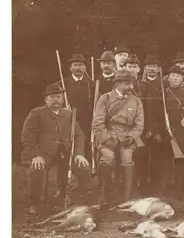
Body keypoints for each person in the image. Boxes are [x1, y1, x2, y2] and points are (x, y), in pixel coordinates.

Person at [21, 83, 89, 214]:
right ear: (46, 99)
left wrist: (79, 154)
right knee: (37, 169)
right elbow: (27, 136)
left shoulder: (68, 114)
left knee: (83, 166)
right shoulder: (36, 113)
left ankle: (80, 199)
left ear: (63, 99)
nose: (56, 100)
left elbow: (79, 135)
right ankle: (34, 203)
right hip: (43, 153)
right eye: (52, 97)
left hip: (65, 153)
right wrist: (36, 155)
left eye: (59, 97)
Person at [92, 70, 144, 203]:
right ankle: (103, 193)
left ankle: (126, 197)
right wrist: (106, 138)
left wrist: (132, 137)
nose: (130, 87)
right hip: (108, 135)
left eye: (131, 84)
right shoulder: (105, 98)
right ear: (117, 84)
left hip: (127, 138)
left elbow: (139, 124)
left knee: (127, 160)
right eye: (127, 84)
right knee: (107, 159)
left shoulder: (136, 101)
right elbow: (97, 122)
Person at [55, 53, 94, 197]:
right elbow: (53, 105)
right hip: (66, 124)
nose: (78, 68)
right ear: (70, 67)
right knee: (64, 154)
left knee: (85, 154)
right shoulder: (62, 84)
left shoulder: (92, 84)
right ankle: (63, 186)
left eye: (81, 65)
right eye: (75, 65)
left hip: (86, 123)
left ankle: (84, 187)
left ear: (85, 67)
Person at [162, 65, 184, 197]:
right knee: (167, 161)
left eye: (178, 76)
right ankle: (167, 188)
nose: (175, 79)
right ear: (168, 78)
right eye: (173, 76)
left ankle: (180, 188)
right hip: (168, 131)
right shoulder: (164, 93)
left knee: (181, 161)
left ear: (182, 78)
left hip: (183, 133)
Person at [135, 55, 163, 195]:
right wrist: (145, 128)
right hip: (142, 127)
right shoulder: (139, 85)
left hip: (160, 127)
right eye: (149, 66)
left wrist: (156, 129)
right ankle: (143, 185)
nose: (152, 69)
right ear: (145, 68)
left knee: (159, 158)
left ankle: (158, 185)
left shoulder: (164, 84)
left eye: (155, 66)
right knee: (142, 156)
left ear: (159, 69)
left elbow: (163, 109)